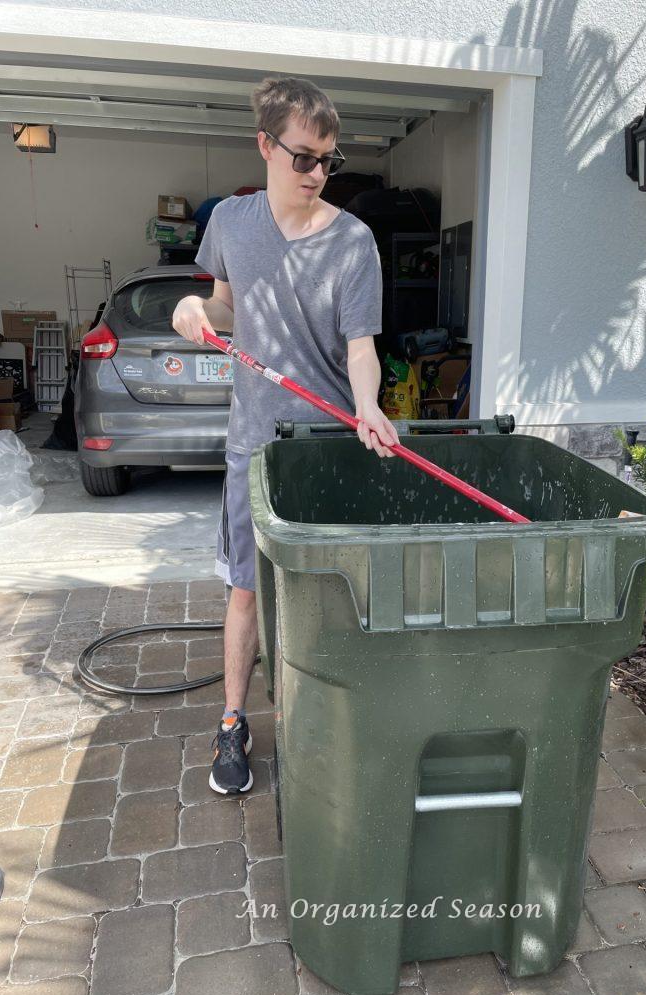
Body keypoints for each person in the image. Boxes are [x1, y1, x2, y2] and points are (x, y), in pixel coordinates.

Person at [172, 76, 399, 795]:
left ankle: (332, 714)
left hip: (330, 444)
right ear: (265, 145)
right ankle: (234, 724)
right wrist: (193, 308)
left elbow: (360, 346)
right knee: (246, 592)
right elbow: (225, 306)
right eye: (303, 157)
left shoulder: (354, 241)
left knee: (332, 593)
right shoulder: (232, 224)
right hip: (254, 445)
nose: (316, 174)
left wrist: (369, 405)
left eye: (328, 160)